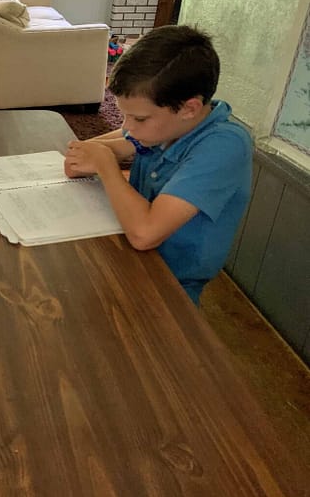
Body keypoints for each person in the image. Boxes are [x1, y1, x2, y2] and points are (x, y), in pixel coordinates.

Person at [64, 25, 252, 305]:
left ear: (189, 108)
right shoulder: (167, 127)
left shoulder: (224, 146)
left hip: (170, 287)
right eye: (123, 115)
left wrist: (104, 164)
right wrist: (93, 154)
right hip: (128, 257)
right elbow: (102, 149)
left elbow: (144, 234)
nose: (127, 126)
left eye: (138, 119)